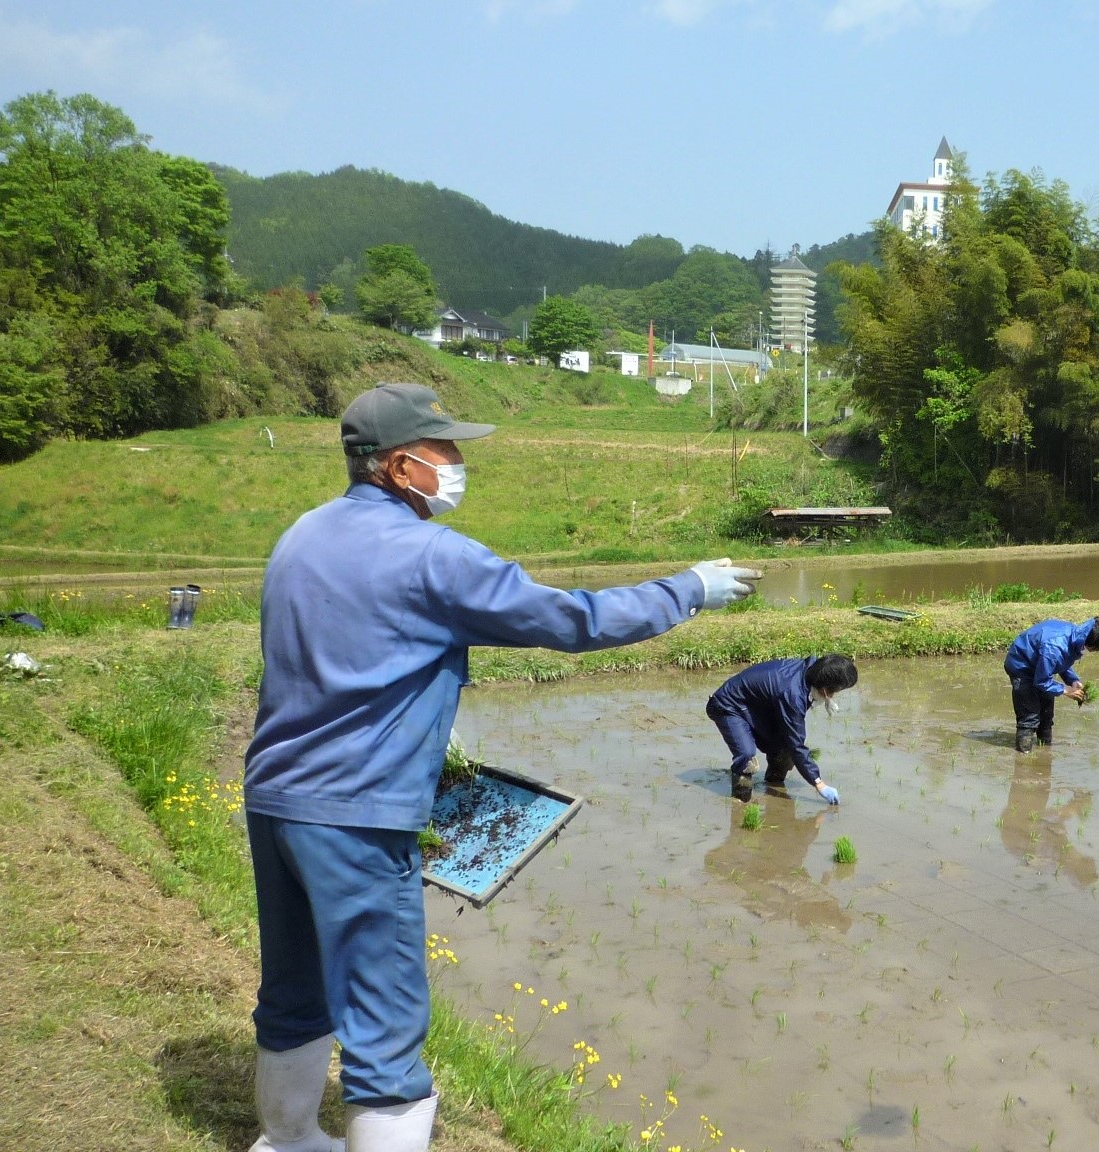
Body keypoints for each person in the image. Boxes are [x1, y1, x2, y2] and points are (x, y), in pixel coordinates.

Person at [241, 382, 761, 1152]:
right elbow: (571, 620)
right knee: (385, 1023)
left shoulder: (302, 536)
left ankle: (285, 1141)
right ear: (398, 465)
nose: (455, 463)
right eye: (444, 450)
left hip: (276, 798)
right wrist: (685, 591)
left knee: (296, 986)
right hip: (357, 813)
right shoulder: (430, 555)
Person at [708, 655, 856, 804]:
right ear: (824, 688)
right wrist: (819, 783)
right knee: (747, 757)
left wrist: (823, 699)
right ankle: (741, 801)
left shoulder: (811, 670)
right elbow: (797, 744)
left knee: (785, 747)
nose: (833, 695)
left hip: (757, 706)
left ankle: (773, 786)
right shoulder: (793, 694)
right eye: (834, 691)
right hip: (727, 705)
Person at [1004, 616, 1099, 753]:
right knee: (1029, 716)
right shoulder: (1055, 647)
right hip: (1021, 666)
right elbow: (1041, 680)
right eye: (1092, 649)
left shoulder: (1075, 637)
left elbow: (1061, 662)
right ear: (1086, 643)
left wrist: (1073, 681)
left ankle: (1045, 754)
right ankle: (1023, 758)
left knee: (1046, 715)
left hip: (1041, 667)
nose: (1091, 653)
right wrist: (1067, 690)